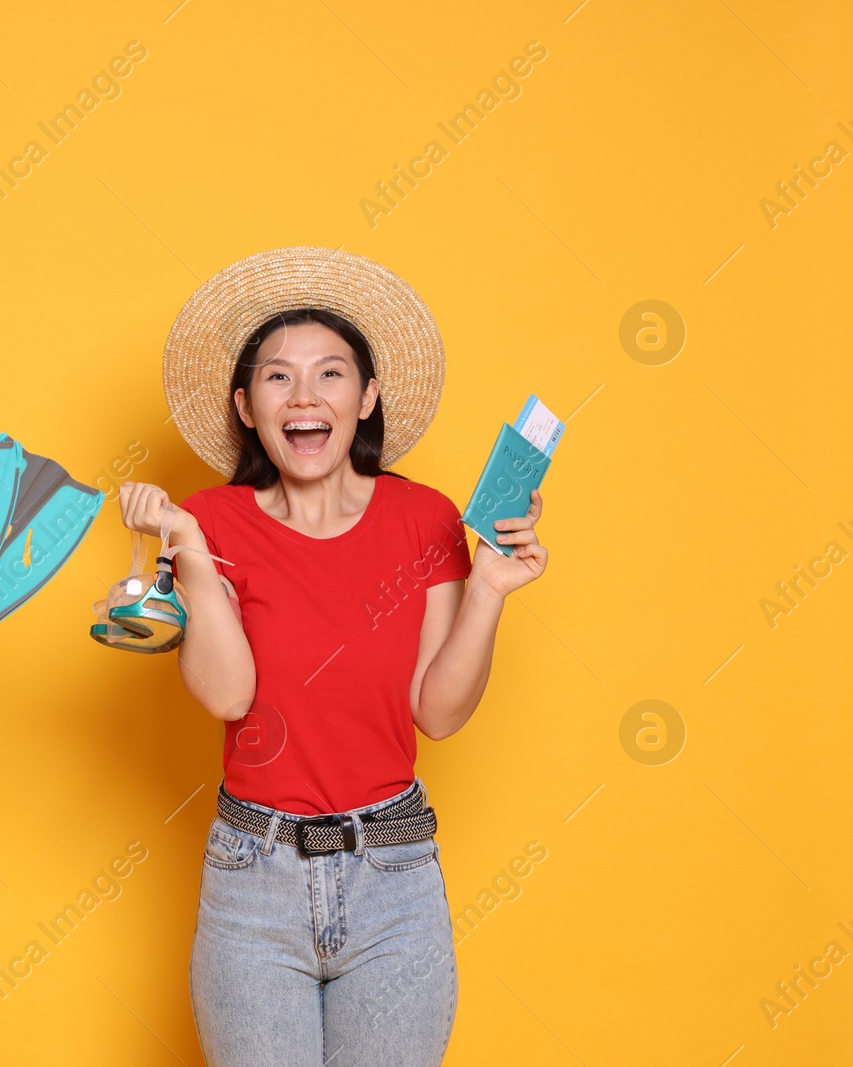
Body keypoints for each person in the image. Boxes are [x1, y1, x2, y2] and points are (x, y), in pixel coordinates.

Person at [119, 248, 548, 1066]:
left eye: (331, 375)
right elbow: (227, 693)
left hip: (395, 872)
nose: (306, 396)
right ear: (246, 406)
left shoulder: (426, 520)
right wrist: (188, 552)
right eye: (278, 378)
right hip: (254, 876)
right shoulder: (212, 520)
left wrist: (489, 588)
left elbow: (440, 712)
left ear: (367, 398)